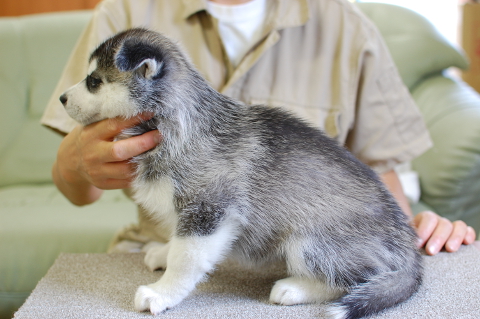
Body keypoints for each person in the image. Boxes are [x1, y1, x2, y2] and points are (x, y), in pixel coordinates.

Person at [42, 0, 476, 256]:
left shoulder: (346, 27)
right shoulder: (126, 12)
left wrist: (408, 234)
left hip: (290, 262)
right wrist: (77, 161)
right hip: (163, 253)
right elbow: (76, 190)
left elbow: (378, 175)